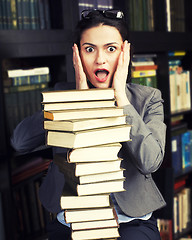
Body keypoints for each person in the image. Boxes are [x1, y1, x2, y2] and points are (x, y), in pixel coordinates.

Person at [11, 9, 167, 240]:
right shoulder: (62, 95)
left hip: (130, 222)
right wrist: (77, 101)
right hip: (72, 221)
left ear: (125, 53)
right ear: (77, 54)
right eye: (89, 49)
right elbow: (20, 142)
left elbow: (150, 162)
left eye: (111, 49)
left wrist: (121, 99)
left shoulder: (147, 99)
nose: (100, 59)